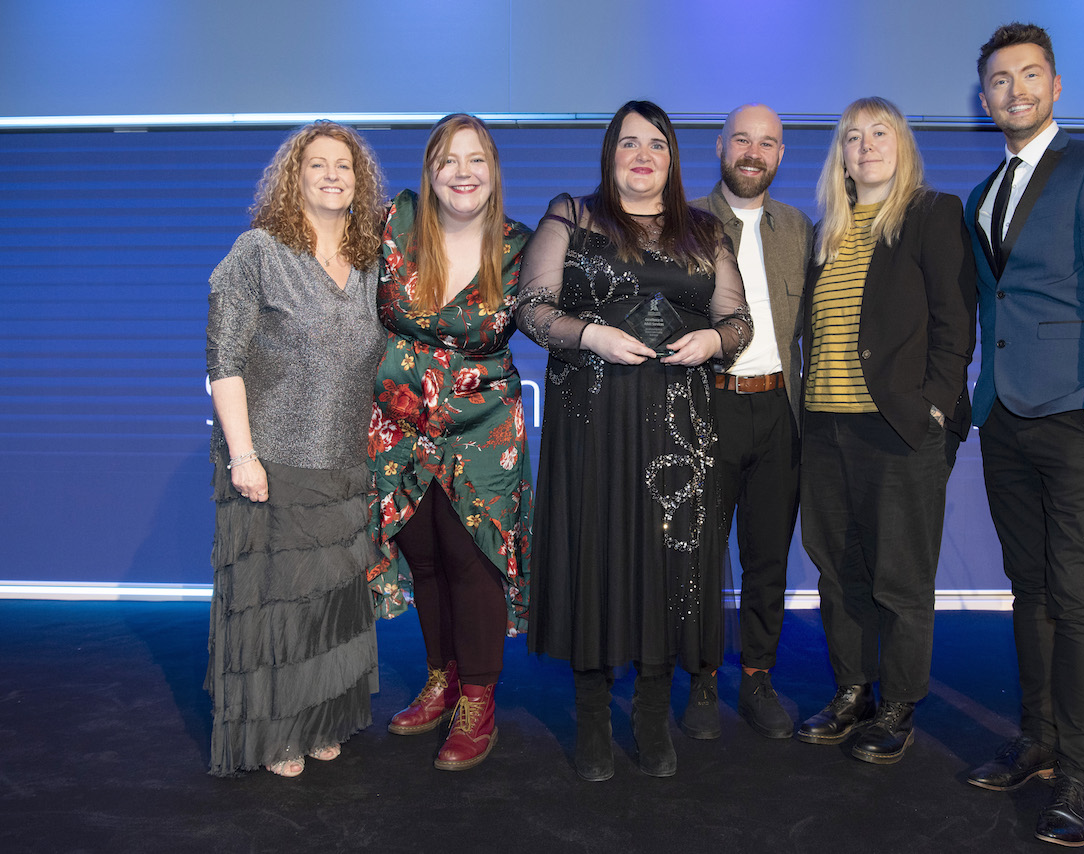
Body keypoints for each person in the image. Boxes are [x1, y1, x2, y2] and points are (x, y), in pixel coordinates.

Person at [516, 100, 752, 781]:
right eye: (628, 143)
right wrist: (590, 334)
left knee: (668, 565)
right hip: (591, 419)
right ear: (609, 154)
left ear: (673, 158)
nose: (642, 155)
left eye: (656, 144)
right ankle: (592, 719)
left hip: (679, 426)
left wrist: (712, 338)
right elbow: (531, 309)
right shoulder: (573, 214)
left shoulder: (703, 230)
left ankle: (652, 715)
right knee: (596, 553)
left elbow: (739, 323)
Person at [963, 23, 1084, 847]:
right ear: (984, 98)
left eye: (1029, 75)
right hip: (1005, 418)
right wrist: (981, 403)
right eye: (1000, 81)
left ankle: (1080, 772)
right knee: (1028, 590)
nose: (1015, 91)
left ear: (1056, 85)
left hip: (1078, 418)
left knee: (1075, 598)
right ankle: (1037, 737)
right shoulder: (980, 195)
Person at [205, 120, 386, 778]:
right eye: (318, 164)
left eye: (345, 165)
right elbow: (222, 360)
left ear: (360, 182)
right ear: (295, 177)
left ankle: (318, 722)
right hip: (272, 461)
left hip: (343, 466)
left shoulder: (372, 263)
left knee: (328, 607)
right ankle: (278, 732)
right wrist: (243, 456)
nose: (333, 174)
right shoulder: (257, 251)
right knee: (278, 609)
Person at [797, 97, 976, 762]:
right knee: (838, 572)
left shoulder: (932, 215)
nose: (866, 146)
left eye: (880, 133)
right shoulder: (827, 233)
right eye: (852, 137)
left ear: (902, 145)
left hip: (898, 431)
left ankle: (899, 703)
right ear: (840, 156)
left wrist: (934, 405)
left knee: (899, 578)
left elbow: (956, 324)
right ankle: (853, 692)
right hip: (825, 429)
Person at [367, 114, 533, 772]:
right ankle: (441, 679)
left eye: (476, 160)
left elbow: (558, 312)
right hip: (399, 425)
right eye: (447, 161)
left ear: (494, 173)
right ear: (429, 174)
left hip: (482, 426)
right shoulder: (394, 228)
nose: (462, 173)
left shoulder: (522, 247)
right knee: (425, 557)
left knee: (473, 559)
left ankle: (478, 700)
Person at [682, 104, 812, 741]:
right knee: (702, 556)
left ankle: (758, 677)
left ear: (781, 154)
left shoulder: (800, 228)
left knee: (769, 556)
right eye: (742, 139)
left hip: (781, 410)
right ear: (720, 146)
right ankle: (703, 679)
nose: (753, 152)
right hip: (712, 408)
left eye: (768, 142)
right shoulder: (686, 225)